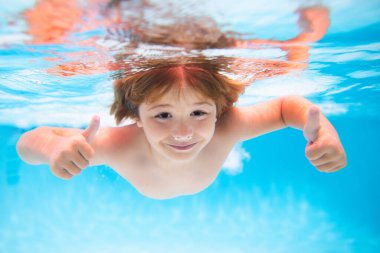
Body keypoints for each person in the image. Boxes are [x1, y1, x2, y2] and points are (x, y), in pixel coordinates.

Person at [16, 3, 346, 199]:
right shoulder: (119, 144)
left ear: (219, 110)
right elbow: (27, 144)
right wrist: (52, 148)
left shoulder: (227, 127)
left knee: (293, 64)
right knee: (58, 57)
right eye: (162, 116)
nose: (184, 131)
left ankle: (306, 37)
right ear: (137, 115)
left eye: (199, 112)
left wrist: (323, 132)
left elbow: (286, 107)